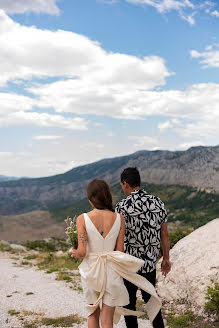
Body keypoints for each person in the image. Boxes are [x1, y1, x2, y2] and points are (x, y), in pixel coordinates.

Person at [72, 178, 161, 328]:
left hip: (91, 271)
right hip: (111, 270)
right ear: (107, 196)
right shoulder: (119, 218)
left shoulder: (82, 219)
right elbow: (120, 251)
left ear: (90, 198)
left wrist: (74, 252)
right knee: (107, 317)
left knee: (93, 314)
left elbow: (82, 251)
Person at [115, 167, 171, 328]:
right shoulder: (157, 202)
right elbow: (164, 234)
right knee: (153, 304)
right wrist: (166, 258)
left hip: (129, 265)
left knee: (129, 306)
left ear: (125, 184)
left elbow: (117, 238)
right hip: (149, 264)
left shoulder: (121, 207)